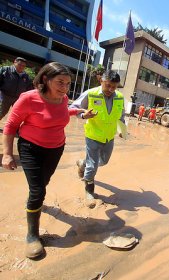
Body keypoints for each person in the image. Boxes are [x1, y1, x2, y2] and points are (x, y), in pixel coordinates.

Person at [1, 62, 95, 259]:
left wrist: (79, 113)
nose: (64, 88)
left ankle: (35, 202)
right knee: (38, 190)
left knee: (42, 183)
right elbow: (10, 126)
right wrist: (7, 153)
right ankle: (32, 235)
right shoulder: (28, 98)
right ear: (46, 79)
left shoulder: (63, 99)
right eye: (60, 82)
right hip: (30, 148)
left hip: (56, 149)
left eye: (68, 84)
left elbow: (62, 112)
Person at [70, 70, 126, 207]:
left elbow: (121, 116)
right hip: (93, 135)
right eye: (108, 86)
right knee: (93, 165)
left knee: (103, 162)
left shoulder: (119, 97)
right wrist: (83, 116)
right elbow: (73, 108)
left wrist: (122, 130)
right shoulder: (91, 94)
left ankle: (82, 163)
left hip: (109, 137)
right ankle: (89, 191)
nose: (111, 90)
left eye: (114, 87)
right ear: (101, 80)